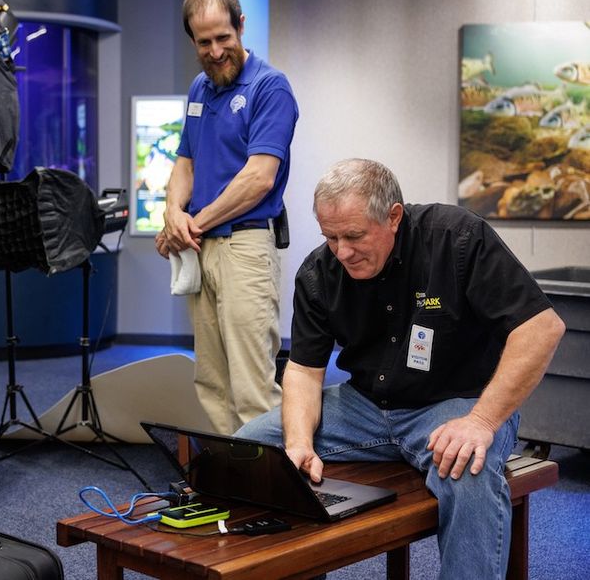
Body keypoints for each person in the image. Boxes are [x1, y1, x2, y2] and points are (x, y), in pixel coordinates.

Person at [236, 158, 565, 579]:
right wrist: (299, 441)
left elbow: (542, 328)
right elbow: (303, 369)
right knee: (252, 450)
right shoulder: (320, 271)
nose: (343, 251)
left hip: (456, 406)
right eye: (330, 236)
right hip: (364, 409)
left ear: (393, 217)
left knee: (468, 475)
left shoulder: (456, 239)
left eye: (354, 236)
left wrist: (482, 421)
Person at [155, 0, 298, 434]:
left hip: (245, 246)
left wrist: (189, 223)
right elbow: (185, 163)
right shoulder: (199, 88)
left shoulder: (269, 87)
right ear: (192, 41)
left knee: (253, 386)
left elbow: (259, 179)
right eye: (204, 42)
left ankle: (270, 492)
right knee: (211, 381)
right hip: (201, 247)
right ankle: (233, 487)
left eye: (223, 38)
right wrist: (171, 213)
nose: (215, 52)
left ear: (241, 26)